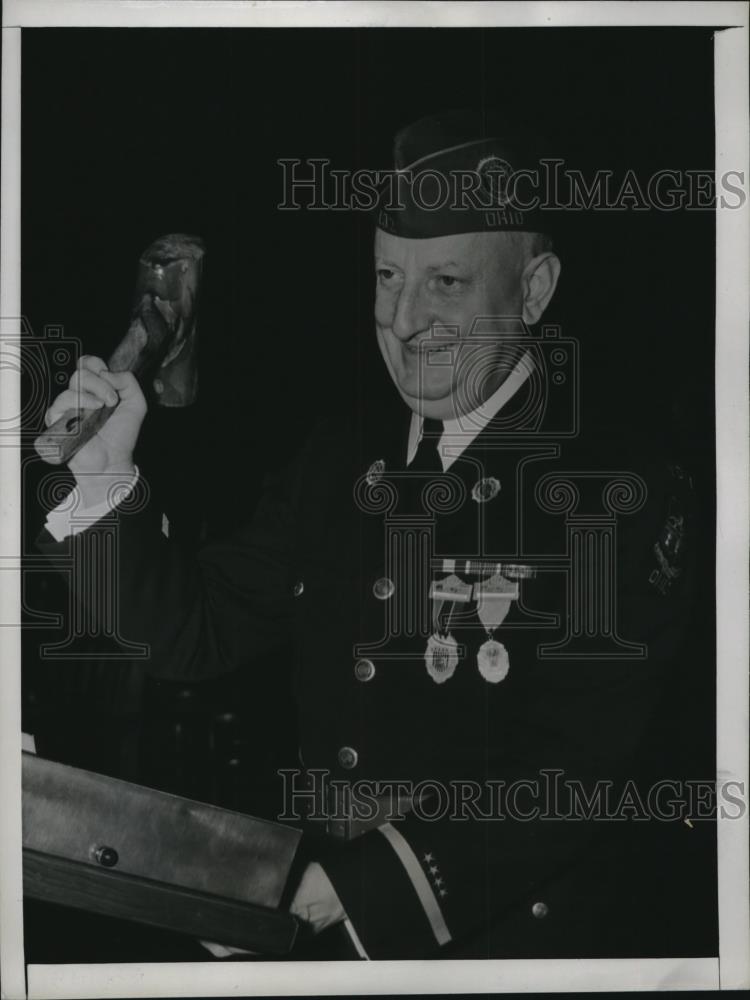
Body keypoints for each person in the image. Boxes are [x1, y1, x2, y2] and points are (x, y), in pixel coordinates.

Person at [39, 111, 705, 960]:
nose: (404, 318)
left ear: (534, 291)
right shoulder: (339, 457)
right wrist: (104, 475)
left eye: (448, 284)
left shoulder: (625, 490)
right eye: (389, 276)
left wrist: (335, 891)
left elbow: (570, 774)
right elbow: (192, 632)